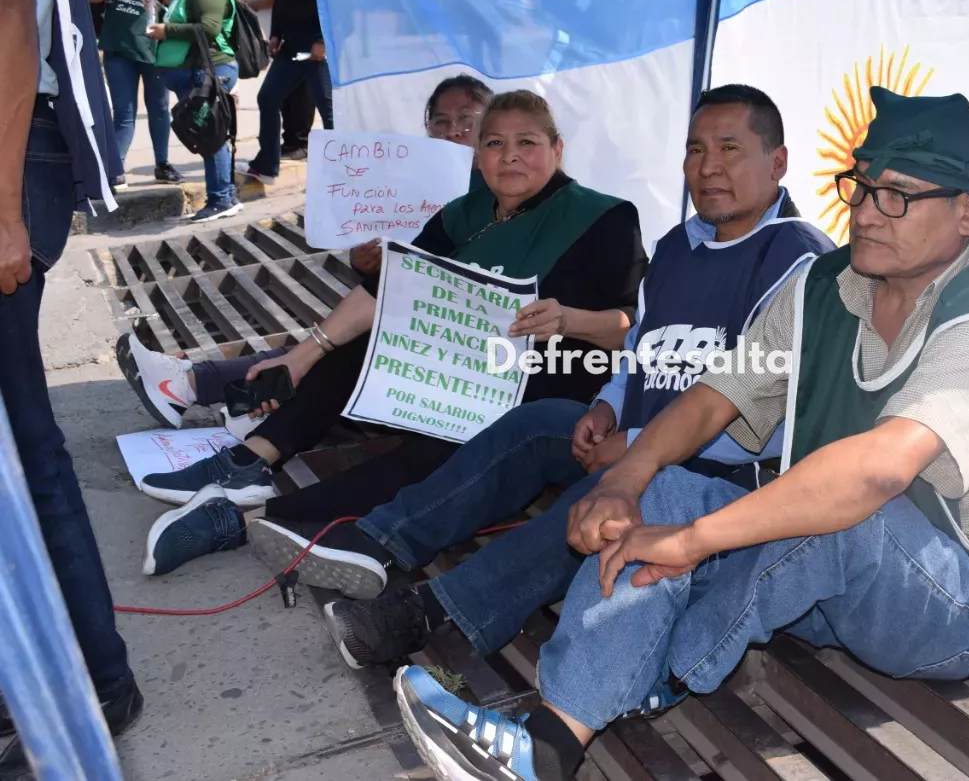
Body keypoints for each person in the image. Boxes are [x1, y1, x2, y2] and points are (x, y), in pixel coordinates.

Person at [391, 86, 969, 781]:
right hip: (826, 578)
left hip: (951, 604)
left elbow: (875, 473)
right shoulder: (827, 285)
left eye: (898, 196)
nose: (865, 212)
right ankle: (547, 746)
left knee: (838, 509)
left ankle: (663, 668)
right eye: (860, 188)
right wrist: (624, 481)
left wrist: (697, 540)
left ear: (967, 213)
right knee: (667, 489)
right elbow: (713, 398)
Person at [141, 87, 835, 664]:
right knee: (531, 427)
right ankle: (371, 537)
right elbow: (641, 351)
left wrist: (635, 439)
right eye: (695, 149)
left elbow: (765, 419)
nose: (708, 166)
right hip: (610, 428)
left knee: (591, 509)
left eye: (730, 149)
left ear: (777, 161)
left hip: (714, 474)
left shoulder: (798, 262)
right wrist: (606, 404)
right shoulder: (678, 247)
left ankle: (429, 614)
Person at [137, 91, 646, 538]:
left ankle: (266, 518)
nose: (510, 156)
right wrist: (302, 355)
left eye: (527, 143)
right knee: (360, 344)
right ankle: (251, 461)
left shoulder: (604, 218)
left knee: (443, 446)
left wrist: (569, 319)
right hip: (461, 365)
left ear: (556, 150)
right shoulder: (463, 213)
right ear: (480, 154)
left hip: (551, 381)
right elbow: (387, 290)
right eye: (494, 143)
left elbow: (633, 326)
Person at [115, 73, 495, 430]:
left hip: (453, 337)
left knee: (342, 346)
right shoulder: (415, 181)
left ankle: (208, 389)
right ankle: (203, 387)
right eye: (440, 121)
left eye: (466, 118)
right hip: (399, 316)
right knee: (336, 340)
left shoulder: (499, 186)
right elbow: (393, 269)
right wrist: (365, 264)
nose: (453, 131)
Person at [0, 0, 143, 772]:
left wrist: (4, 208)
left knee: (23, 437)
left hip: (15, 162)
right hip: (20, 160)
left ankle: (87, 679)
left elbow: (13, 11)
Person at [148, 0, 244, 222]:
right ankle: (224, 197)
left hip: (210, 70)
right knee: (208, 136)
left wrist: (167, 31)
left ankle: (221, 199)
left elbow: (210, 28)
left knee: (210, 136)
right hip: (194, 72)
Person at [235, 0, 334, 185]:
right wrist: (276, 34)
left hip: (314, 48)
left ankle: (348, 170)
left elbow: (331, 1)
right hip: (292, 47)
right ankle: (266, 165)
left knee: (328, 109)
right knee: (268, 97)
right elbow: (282, 0)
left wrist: (323, 42)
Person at [86, 0, 182, 187]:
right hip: (119, 48)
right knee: (124, 112)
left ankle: (162, 163)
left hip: (157, 50)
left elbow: (183, 0)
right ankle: (115, 170)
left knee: (160, 108)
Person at [225, 0, 313, 160]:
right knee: (278, 95)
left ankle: (302, 142)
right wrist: (274, 33)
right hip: (282, 36)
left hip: (302, 38)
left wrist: (251, 5)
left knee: (301, 92)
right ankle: (287, 143)